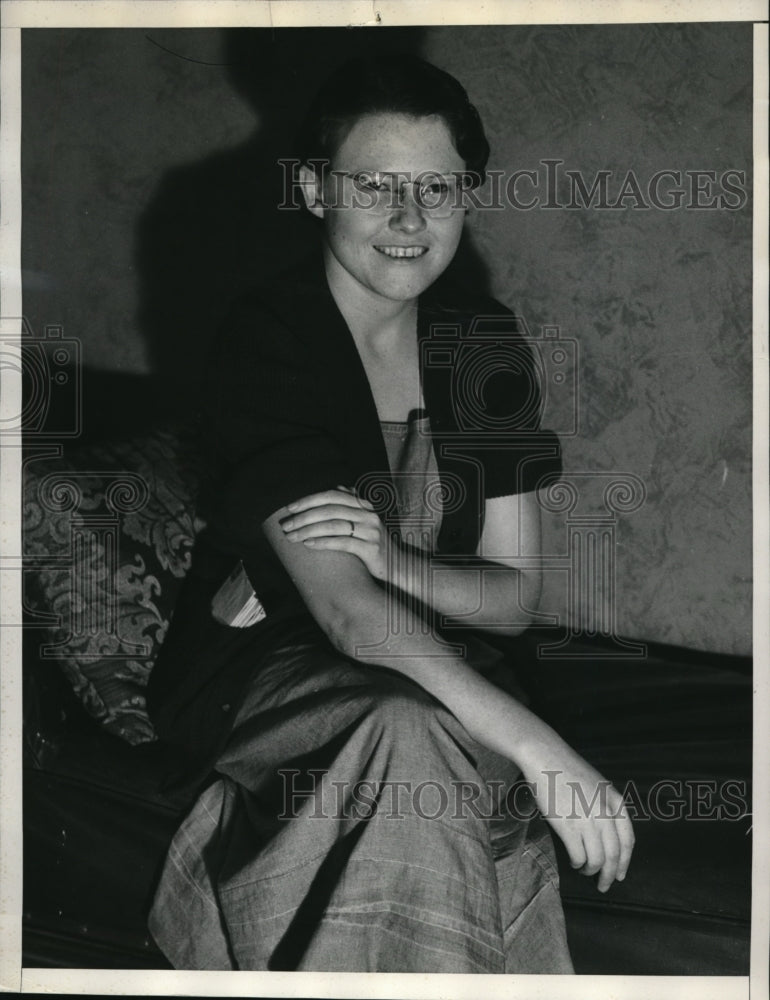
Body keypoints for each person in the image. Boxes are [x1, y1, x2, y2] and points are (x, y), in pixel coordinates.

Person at [146, 53, 634, 973]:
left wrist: (396, 560)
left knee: (427, 739)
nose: (409, 219)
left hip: (432, 662)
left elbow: (514, 599)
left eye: (437, 188)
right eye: (375, 185)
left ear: (466, 197)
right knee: (407, 736)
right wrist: (543, 750)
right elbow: (344, 611)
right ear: (314, 191)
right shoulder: (268, 339)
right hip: (265, 663)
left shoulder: (484, 344)